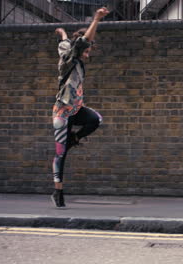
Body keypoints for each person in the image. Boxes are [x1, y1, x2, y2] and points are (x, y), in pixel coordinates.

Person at [51, 7, 110, 208]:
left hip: (75, 110)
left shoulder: (74, 58)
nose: (88, 53)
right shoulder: (68, 61)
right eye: (86, 50)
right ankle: (58, 192)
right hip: (62, 112)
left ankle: (73, 139)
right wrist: (97, 18)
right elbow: (80, 43)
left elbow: (68, 43)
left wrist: (63, 33)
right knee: (60, 153)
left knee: (96, 119)